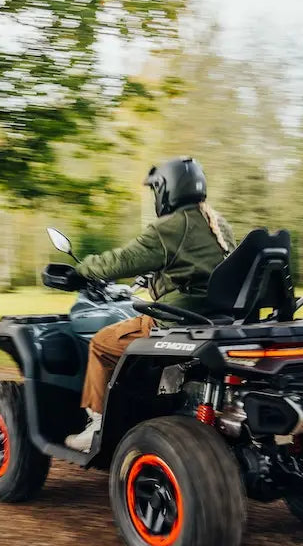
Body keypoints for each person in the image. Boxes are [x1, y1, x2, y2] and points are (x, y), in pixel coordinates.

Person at [65, 157, 234, 452]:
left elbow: (121, 261)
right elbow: (199, 267)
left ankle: (96, 426)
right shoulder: (218, 223)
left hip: (178, 321)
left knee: (103, 343)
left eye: (156, 189)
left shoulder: (168, 227)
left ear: (166, 190)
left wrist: (81, 270)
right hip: (219, 317)